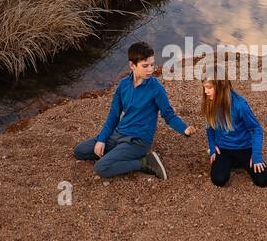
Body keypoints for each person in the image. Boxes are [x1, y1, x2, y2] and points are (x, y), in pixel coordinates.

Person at [73, 41, 192, 179]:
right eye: (145, 66)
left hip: (138, 141)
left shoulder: (156, 88)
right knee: (80, 151)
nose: (150, 70)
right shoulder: (123, 85)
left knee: (101, 167)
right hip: (118, 134)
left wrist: (184, 129)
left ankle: (144, 162)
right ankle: (117, 154)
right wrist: (102, 139)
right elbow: (113, 115)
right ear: (132, 65)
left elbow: (168, 115)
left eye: (152, 65)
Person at [201, 70, 267, 188]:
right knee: (218, 180)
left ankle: (239, 162)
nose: (205, 91)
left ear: (221, 86)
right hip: (224, 148)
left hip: (244, 148)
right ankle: (232, 162)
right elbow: (209, 128)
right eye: (204, 87)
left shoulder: (240, 104)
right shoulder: (209, 102)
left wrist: (256, 156)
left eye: (209, 87)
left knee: (263, 181)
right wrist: (212, 147)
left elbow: (256, 129)